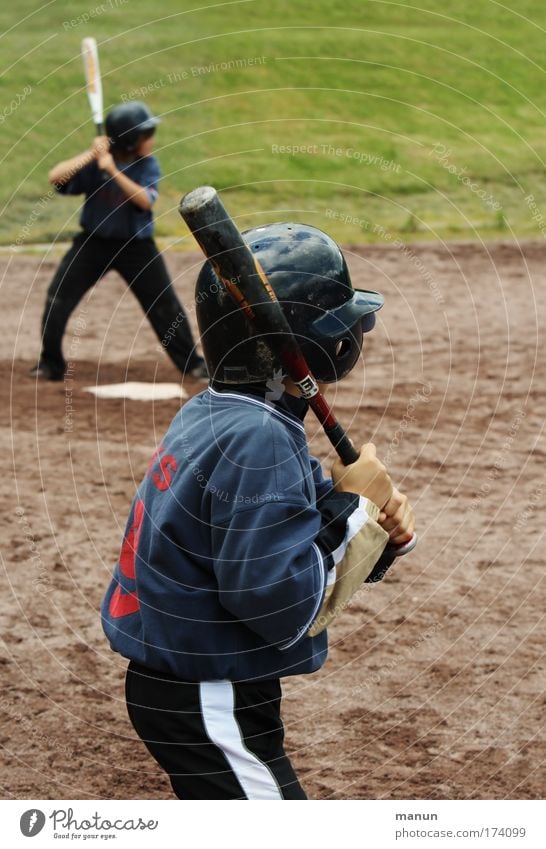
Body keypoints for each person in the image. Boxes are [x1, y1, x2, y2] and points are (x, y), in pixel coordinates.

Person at [101, 222, 415, 800]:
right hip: (209, 692)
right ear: (307, 346)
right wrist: (357, 505)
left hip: (188, 681)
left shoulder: (219, 414)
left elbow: (289, 533)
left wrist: (374, 530)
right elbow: (280, 600)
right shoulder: (258, 438)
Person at [30, 101, 207, 381]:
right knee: (58, 298)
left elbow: (144, 201)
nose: (152, 140)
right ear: (130, 139)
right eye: (147, 134)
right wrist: (92, 154)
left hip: (136, 247)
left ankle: (193, 364)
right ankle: (50, 363)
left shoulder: (148, 165)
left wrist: (112, 170)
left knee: (164, 306)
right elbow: (55, 177)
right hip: (92, 244)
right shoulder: (95, 163)